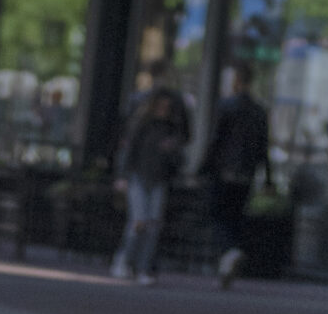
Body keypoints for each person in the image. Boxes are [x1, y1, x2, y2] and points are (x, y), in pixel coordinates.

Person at [113, 76, 188, 283]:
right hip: (139, 176)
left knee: (153, 224)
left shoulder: (171, 129)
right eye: (161, 106)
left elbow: (179, 158)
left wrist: (172, 151)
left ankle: (143, 268)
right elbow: (129, 151)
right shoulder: (142, 125)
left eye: (167, 107)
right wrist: (122, 176)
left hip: (159, 179)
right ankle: (125, 260)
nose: (164, 110)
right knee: (139, 221)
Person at [202, 67, 271, 289]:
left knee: (218, 215)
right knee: (236, 216)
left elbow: (216, 140)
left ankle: (229, 252)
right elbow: (263, 147)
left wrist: (203, 168)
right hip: (246, 173)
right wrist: (268, 177)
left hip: (224, 171)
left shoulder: (226, 106)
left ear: (236, 81)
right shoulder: (260, 111)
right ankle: (229, 258)